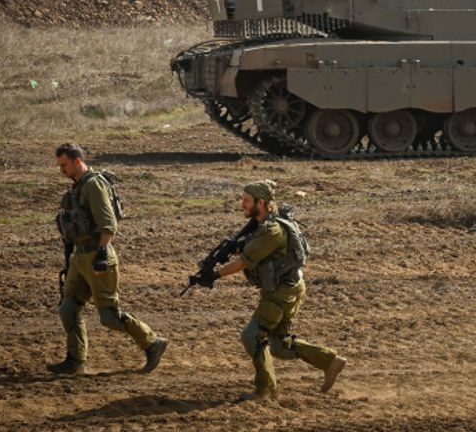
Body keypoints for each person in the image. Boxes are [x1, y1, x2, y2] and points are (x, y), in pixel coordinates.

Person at [198, 180, 346, 400]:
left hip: (281, 292)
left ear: (261, 202)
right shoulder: (265, 225)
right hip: (290, 287)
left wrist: (215, 275)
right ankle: (330, 361)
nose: (242, 205)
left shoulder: (272, 230)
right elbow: (253, 249)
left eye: (247, 200)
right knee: (279, 346)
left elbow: (244, 262)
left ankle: (265, 390)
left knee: (252, 336)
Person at [48, 143, 167, 375]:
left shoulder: (93, 185)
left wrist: (102, 253)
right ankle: (75, 360)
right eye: (59, 166)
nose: (61, 170)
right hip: (80, 256)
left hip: (97, 255)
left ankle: (153, 343)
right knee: (68, 309)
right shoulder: (76, 189)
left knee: (110, 316)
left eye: (64, 165)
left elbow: (108, 223)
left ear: (77, 161)